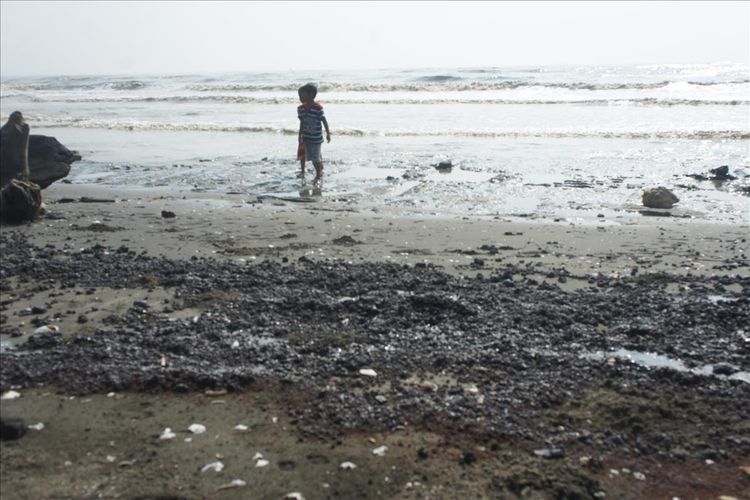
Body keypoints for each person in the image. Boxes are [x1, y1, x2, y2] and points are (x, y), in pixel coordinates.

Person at [297, 83, 330, 185]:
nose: (300, 98)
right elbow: (301, 122)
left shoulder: (317, 108)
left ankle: (318, 175)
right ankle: (302, 171)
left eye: (302, 95)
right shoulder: (301, 109)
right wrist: (300, 135)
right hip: (305, 136)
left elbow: (323, 120)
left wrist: (328, 133)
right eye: (299, 95)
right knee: (303, 155)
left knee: (315, 158)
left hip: (316, 138)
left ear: (311, 95)